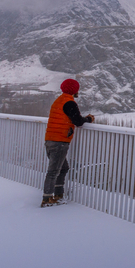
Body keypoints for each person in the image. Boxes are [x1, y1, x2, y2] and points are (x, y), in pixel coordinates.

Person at [41, 78, 95, 207]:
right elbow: (77, 121)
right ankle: (47, 199)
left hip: (50, 139)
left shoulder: (59, 101)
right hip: (59, 141)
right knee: (54, 170)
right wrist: (88, 119)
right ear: (74, 90)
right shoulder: (69, 103)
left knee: (63, 168)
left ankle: (58, 194)